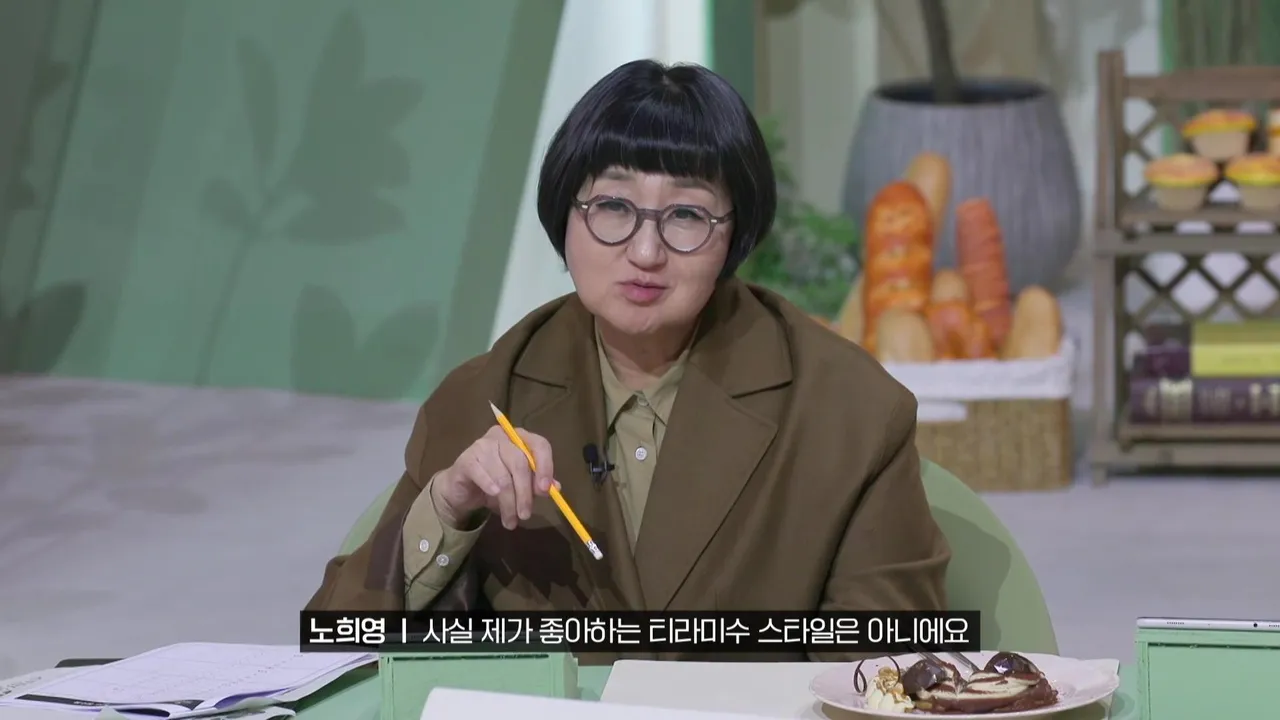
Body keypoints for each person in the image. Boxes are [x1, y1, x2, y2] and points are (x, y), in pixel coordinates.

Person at [306, 59, 949, 662]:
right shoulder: (483, 397)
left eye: (687, 215)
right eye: (613, 207)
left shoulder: (851, 411)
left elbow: (888, 666)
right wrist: (448, 508)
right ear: (564, 214)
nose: (645, 252)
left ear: (736, 234)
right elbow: (335, 641)